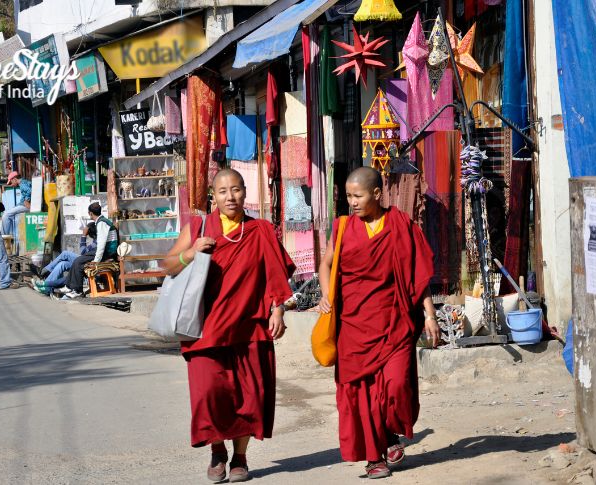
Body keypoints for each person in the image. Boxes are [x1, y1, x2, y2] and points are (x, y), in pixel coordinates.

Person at [161, 169, 295, 483]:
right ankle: (218, 450)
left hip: (249, 329)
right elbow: (167, 265)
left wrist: (278, 310)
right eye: (223, 191)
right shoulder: (199, 226)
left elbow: (276, 274)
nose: (230, 197)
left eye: (235, 190)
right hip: (206, 329)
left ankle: (241, 457)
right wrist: (191, 253)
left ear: (245, 191)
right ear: (214, 196)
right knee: (209, 394)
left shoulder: (260, 230)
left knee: (248, 397)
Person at [318, 167, 441, 480]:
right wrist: (325, 295)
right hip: (353, 324)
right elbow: (326, 264)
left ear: (376, 193)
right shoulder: (343, 227)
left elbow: (417, 275)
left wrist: (429, 314)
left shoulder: (400, 224)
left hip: (395, 321)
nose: (353, 202)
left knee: (396, 384)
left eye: (358, 196)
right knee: (362, 394)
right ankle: (375, 457)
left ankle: (390, 432)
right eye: (348, 196)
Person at [60, 202, 118, 299]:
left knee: (78, 261)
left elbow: (101, 244)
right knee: (80, 263)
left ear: (90, 213)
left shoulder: (101, 223)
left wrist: (96, 261)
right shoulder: (101, 222)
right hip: (104, 251)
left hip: (107, 252)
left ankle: (77, 290)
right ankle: (70, 287)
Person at [32, 222, 97, 295]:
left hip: (87, 261)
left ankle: (44, 271)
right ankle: (46, 286)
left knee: (65, 254)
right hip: (85, 260)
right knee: (62, 264)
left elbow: (83, 252)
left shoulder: (97, 241)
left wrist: (83, 236)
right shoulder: (95, 240)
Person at [1, 171, 32, 237]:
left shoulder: (22, 184)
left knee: (6, 215)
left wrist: (27, 200)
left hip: (25, 205)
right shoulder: (24, 182)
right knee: (9, 211)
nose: (11, 184)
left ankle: (5, 236)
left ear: (15, 179)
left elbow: (29, 190)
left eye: (11, 182)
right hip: (23, 204)